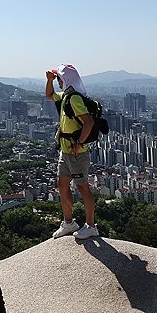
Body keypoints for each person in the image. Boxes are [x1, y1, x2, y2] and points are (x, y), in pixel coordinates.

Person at [45, 64, 98, 240]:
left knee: (82, 187)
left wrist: (79, 143)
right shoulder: (66, 96)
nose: (58, 82)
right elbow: (50, 95)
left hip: (77, 153)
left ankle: (91, 226)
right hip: (65, 150)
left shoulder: (74, 98)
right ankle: (68, 222)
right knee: (62, 184)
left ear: (66, 79)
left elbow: (89, 122)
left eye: (59, 79)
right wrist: (49, 81)